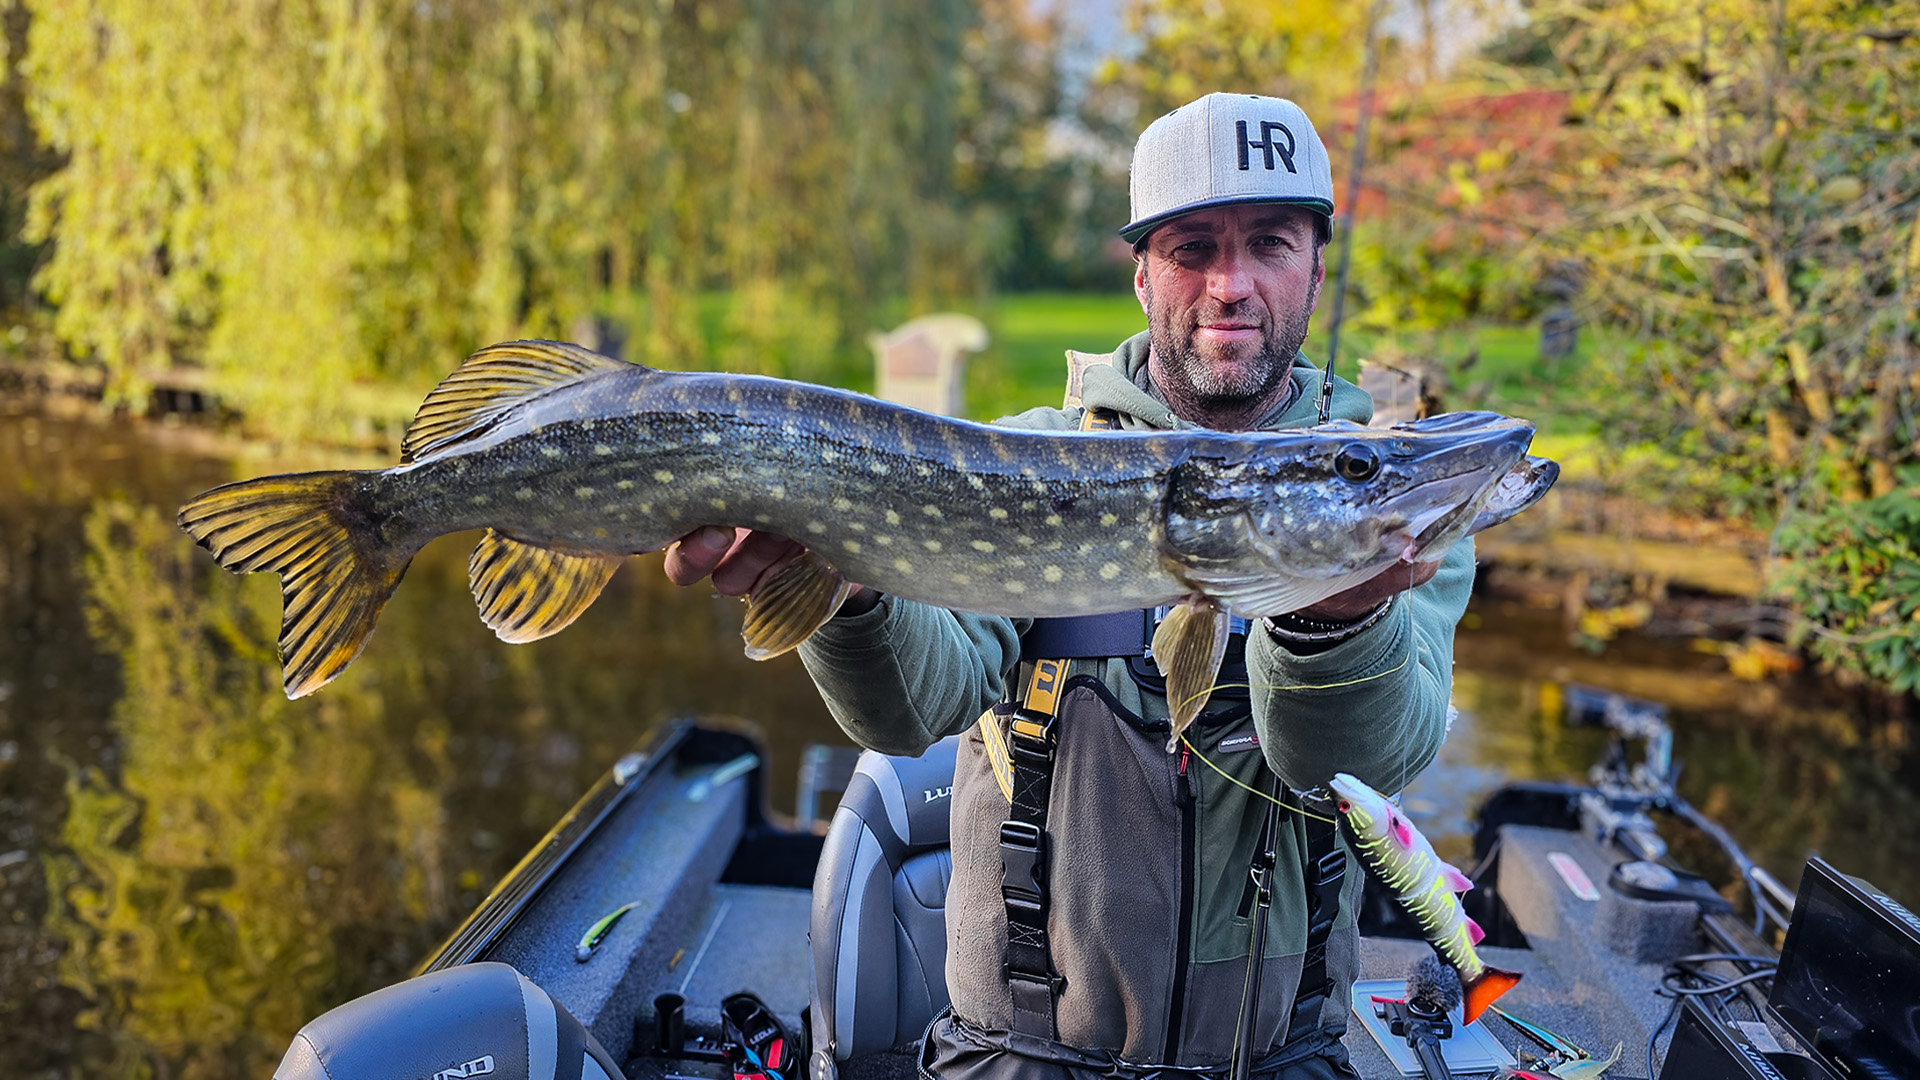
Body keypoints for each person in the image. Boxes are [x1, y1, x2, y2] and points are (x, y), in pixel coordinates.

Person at [665, 93, 1471, 1080]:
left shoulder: (1384, 500)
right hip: (1021, 1053)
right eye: (1191, 249)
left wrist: (1333, 619)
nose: (1232, 285)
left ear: (1314, 265)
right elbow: (912, 708)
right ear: (1142, 276)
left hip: (1275, 1058)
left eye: (1269, 242)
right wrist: (844, 586)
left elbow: (1359, 759)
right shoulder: (1030, 461)